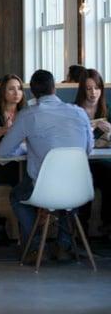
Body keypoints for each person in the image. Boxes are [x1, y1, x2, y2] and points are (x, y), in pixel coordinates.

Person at [0, 70, 93, 263]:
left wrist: (26, 149)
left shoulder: (28, 115)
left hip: (44, 189)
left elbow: (3, 151)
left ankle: (34, 249)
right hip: (80, 188)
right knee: (68, 196)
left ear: (32, 93)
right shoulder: (79, 112)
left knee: (17, 196)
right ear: (54, 88)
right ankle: (64, 246)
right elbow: (88, 148)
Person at [75, 68, 111, 235]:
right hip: (79, 161)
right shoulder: (74, 111)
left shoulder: (107, 110)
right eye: (89, 88)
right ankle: (81, 229)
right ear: (82, 90)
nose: (93, 92)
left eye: (96, 88)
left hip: (102, 161)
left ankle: (106, 225)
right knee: (84, 178)